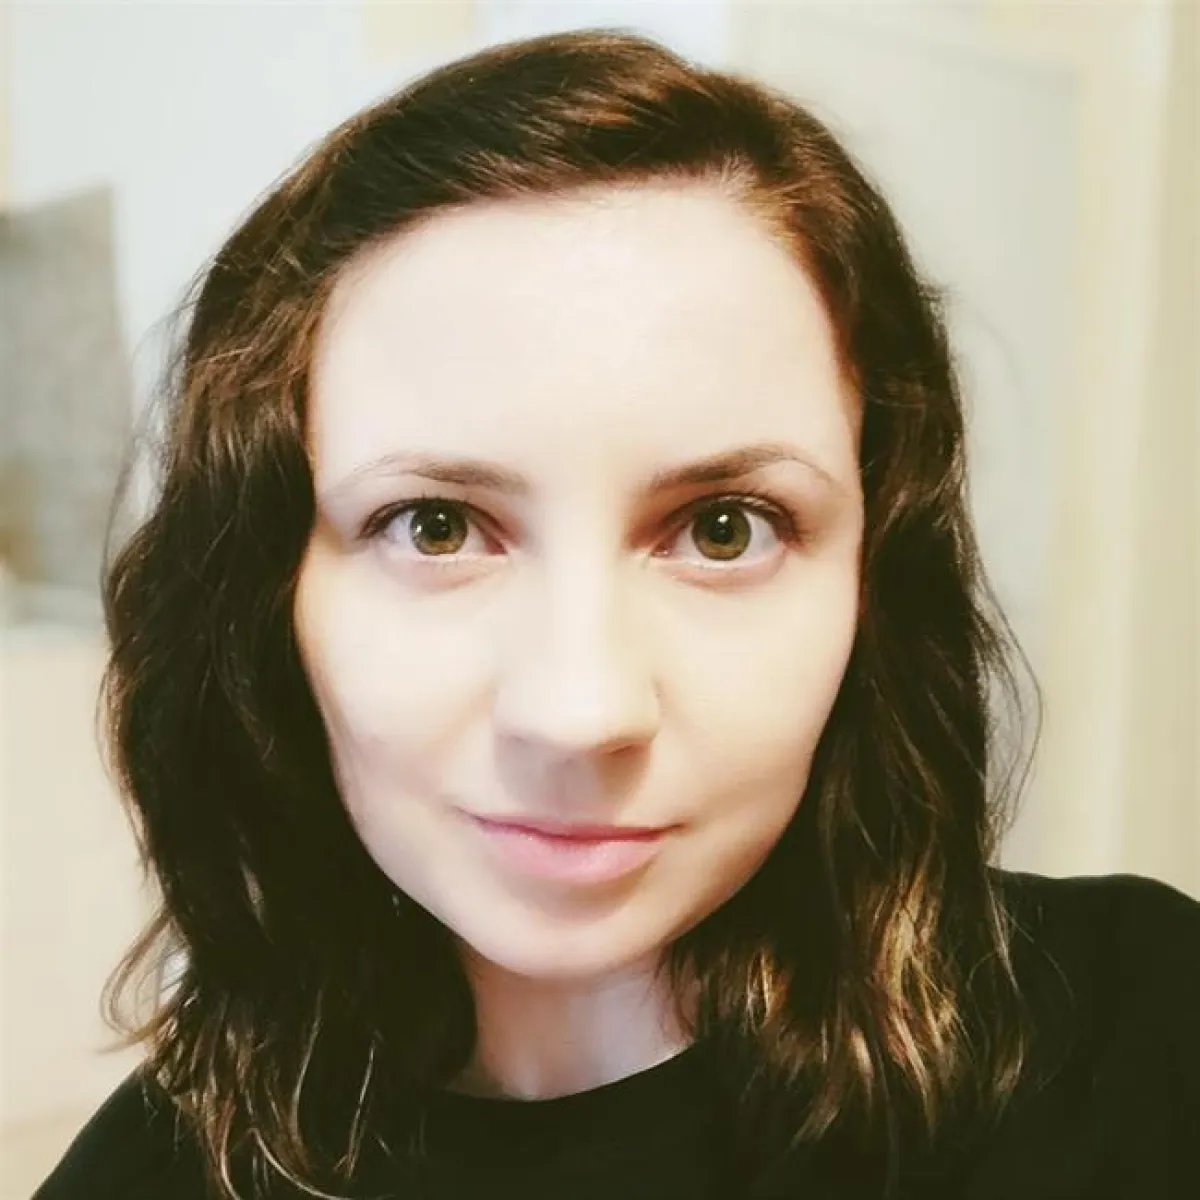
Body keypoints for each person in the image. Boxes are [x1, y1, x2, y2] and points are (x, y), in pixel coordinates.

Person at [33, 26, 1199, 1200]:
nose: (580, 710)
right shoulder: (152, 1178)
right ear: (266, 599)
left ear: (871, 582)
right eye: (435, 526)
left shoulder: (1142, 1042)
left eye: (724, 529)